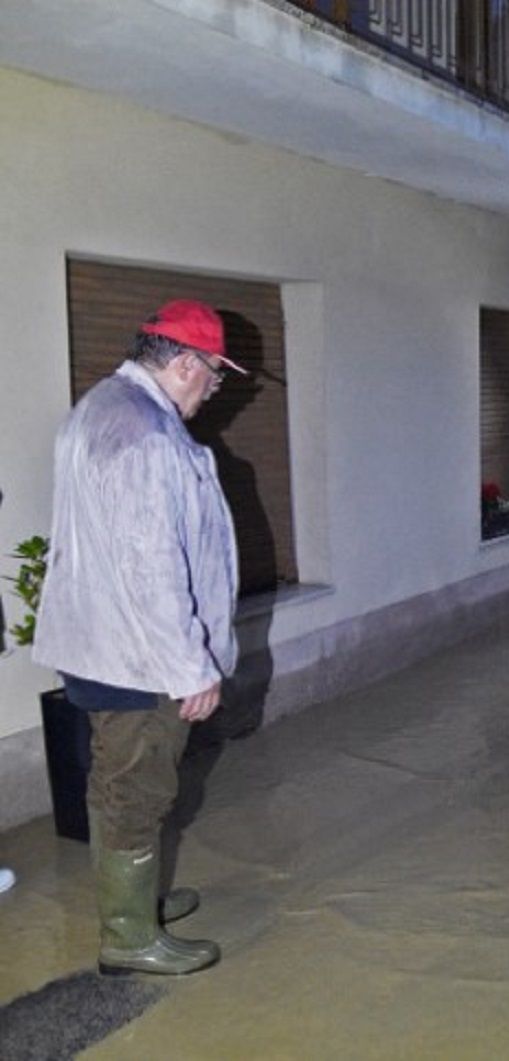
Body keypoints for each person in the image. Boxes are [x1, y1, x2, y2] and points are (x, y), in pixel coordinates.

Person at [33, 299, 247, 976]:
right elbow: (152, 566)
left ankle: (138, 901)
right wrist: (192, 669)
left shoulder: (102, 405)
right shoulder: (146, 432)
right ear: (185, 362)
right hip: (140, 654)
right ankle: (128, 935)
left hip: (106, 640)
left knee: (121, 780)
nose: (214, 388)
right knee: (136, 787)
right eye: (213, 373)